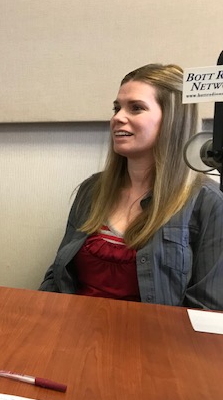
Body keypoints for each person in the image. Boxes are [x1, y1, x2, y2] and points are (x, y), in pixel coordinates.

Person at [40, 63, 223, 310]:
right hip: (75, 334)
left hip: (151, 342)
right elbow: (57, 276)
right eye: (117, 108)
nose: (117, 118)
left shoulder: (208, 202)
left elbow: (206, 310)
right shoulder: (92, 190)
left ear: (173, 120)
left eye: (136, 108)